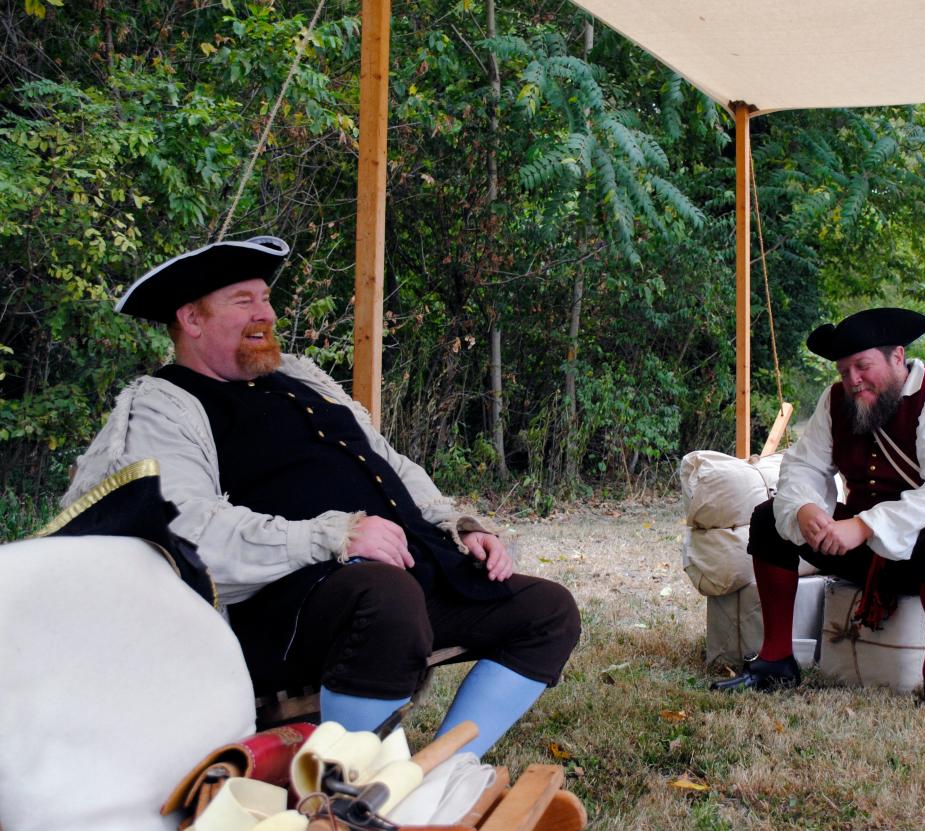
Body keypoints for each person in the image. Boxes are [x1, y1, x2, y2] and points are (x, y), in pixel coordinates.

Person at [62, 236, 580, 755]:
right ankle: (349, 787)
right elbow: (185, 529)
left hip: (401, 571)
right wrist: (333, 535)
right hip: (288, 607)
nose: (264, 312)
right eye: (242, 301)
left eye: (265, 297)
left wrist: (460, 527)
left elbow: (389, 462)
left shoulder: (301, 377)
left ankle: (440, 770)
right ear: (191, 320)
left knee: (547, 609)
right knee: (385, 598)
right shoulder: (164, 404)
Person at [712, 308, 925, 718]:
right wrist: (807, 508)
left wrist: (863, 525)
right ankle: (776, 661)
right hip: (865, 548)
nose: (852, 380)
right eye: (844, 371)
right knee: (771, 517)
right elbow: (804, 465)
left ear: (898, 357)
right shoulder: (836, 400)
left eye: (863, 366)